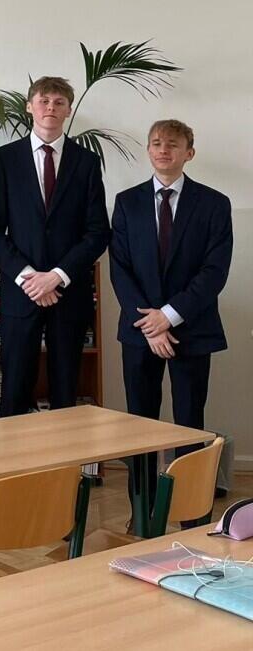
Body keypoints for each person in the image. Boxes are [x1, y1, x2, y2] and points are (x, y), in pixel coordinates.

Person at [110, 119, 232, 526]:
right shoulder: (127, 203)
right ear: (148, 150)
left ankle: (191, 514)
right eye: (157, 143)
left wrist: (169, 317)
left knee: (189, 425)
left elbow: (214, 272)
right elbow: (120, 270)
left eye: (173, 144)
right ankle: (142, 514)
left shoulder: (214, 204)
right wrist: (151, 325)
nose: (164, 150)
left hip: (191, 331)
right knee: (139, 426)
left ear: (188, 153)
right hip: (139, 333)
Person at [0, 76, 110, 417]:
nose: (50, 107)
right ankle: (14, 455)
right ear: (30, 106)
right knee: (14, 391)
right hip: (20, 293)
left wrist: (57, 276)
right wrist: (28, 277)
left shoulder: (86, 162)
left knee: (66, 392)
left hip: (69, 293)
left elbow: (98, 232)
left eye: (58, 102)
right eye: (44, 101)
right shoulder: (6, 158)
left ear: (68, 110)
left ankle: (65, 456)